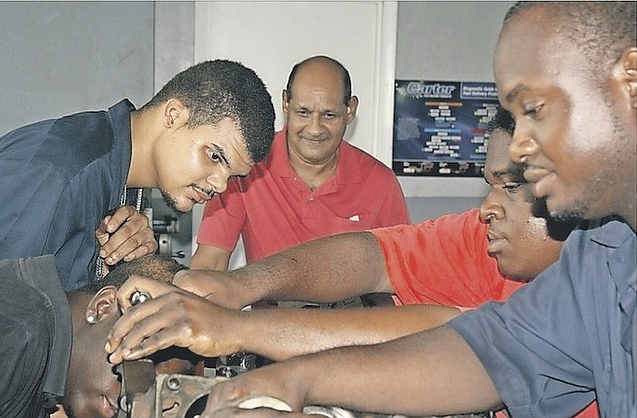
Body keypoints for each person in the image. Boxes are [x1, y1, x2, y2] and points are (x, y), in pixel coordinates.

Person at [178, 2, 634, 417]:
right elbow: (491, 353)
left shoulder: (586, 246)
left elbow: (448, 328)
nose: (520, 144)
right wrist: (292, 375)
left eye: (535, 109)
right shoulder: (597, 258)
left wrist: (254, 335)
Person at [105, 105, 595, 417]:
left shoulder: (602, 291)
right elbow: (371, 254)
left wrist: (241, 329)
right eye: (489, 184)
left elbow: (467, 344)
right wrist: (241, 287)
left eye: (511, 187)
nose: (489, 206)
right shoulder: (484, 234)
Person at [0, 59, 275, 290]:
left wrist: (128, 268)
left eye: (232, 176)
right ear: (173, 116)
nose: (220, 185)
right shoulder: (56, 171)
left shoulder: (125, 186)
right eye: (214, 156)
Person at [190, 55, 408, 271]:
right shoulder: (247, 168)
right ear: (285, 104)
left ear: (350, 109)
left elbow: (402, 272)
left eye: (329, 115)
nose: (314, 129)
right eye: (303, 113)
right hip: (272, 305)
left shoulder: (380, 183)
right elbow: (210, 263)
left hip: (353, 306)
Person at [0, 254, 191, 418]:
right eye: (140, 358)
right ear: (102, 307)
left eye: (154, 387)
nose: (134, 396)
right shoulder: (15, 332)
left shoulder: (39, 348)